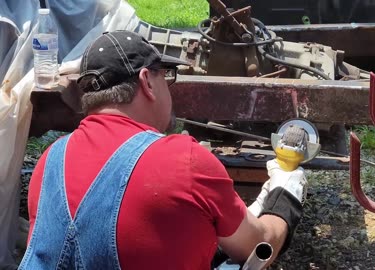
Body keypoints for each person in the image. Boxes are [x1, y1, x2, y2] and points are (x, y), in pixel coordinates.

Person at [19, 30, 307, 269]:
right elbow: (258, 247)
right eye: (166, 76)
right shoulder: (184, 160)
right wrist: (285, 196)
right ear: (147, 82)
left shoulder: (49, 162)